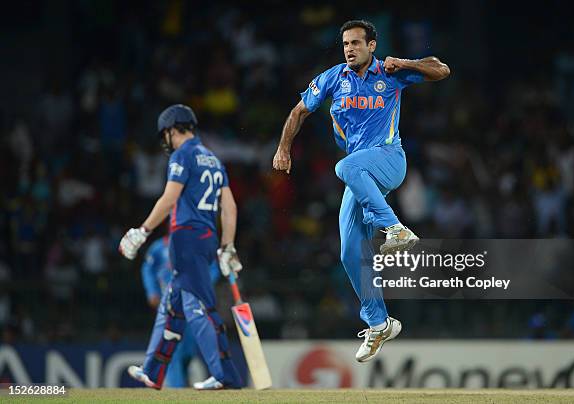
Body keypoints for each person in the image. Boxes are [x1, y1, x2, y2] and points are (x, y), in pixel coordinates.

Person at [272, 20, 449, 363]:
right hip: (361, 173)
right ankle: (380, 322)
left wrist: (408, 64)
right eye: (345, 44)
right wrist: (283, 149)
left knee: (344, 166)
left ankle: (395, 228)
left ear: (372, 45)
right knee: (350, 253)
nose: (349, 49)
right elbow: (298, 112)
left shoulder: (390, 71)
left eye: (356, 43)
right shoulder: (333, 78)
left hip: (389, 159)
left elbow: (441, 70)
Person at [119, 104, 244, 390]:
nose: (166, 140)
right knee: (171, 307)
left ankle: (225, 375)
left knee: (198, 307)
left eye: (166, 134)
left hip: (186, 237)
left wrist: (143, 230)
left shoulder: (182, 155)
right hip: (207, 238)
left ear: (173, 129)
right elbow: (230, 207)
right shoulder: (213, 159)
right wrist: (227, 246)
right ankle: (152, 370)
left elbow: (169, 198)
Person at [139, 234, 222, 387]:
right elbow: (147, 269)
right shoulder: (158, 247)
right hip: (170, 303)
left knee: (188, 352)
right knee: (173, 349)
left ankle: (181, 384)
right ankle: (177, 389)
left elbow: (213, 269)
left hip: (192, 305)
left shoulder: (198, 244)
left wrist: (202, 287)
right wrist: (152, 291)